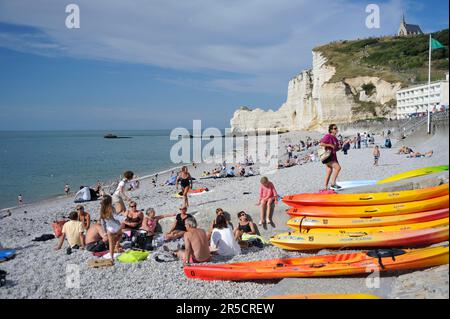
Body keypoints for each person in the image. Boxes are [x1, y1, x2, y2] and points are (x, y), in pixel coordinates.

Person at [99, 195, 125, 263]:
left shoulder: (102, 210)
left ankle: (112, 257)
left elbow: (103, 222)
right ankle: (117, 244)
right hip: (116, 226)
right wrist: (122, 218)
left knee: (111, 244)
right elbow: (115, 218)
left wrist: (104, 231)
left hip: (109, 228)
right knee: (121, 234)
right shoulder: (111, 208)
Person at [320, 124, 342, 191]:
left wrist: (340, 147)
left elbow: (335, 149)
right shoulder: (328, 136)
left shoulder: (335, 138)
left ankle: (325, 187)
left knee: (329, 171)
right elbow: (321, 143)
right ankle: (333, 184)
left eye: (336, 128)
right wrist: (330, 145)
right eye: (335, 128)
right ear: (331, 130)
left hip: (333, 156)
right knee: (338, 168)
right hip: (329, 157)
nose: (336, 130)